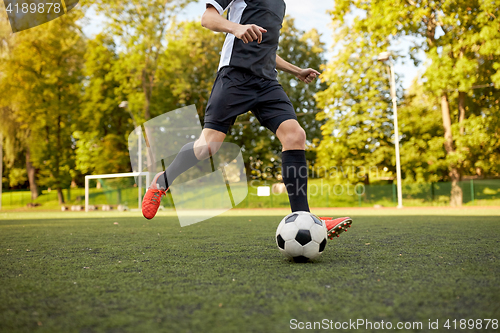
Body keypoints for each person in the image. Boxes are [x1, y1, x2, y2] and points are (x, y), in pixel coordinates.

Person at [142, 0, 352, 239]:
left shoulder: (279, 5)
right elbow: (208, 18)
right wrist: (236, 27)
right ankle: (163, 179)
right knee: (208, 147)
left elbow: (267, 52)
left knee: (295, 135)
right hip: (234, 76)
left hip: (267, 83)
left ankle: (303, 216)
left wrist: (296, 70)